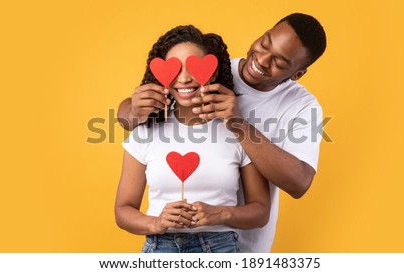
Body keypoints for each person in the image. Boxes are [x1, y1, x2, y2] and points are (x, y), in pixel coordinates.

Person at [117, 13, 327, 252]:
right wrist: (134, 109)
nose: (261, 60)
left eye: (279, 63)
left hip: (241, 244)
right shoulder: (211, 66)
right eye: (264, 43)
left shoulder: (302, 106)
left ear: (297, 74)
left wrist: (238, 124)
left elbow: (299, 183)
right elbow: (128, 118)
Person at [114, 25, 270, 253]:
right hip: (160, 248)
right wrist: (155, 222)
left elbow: (260, 211)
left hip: (221, 249)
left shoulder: (239, 131)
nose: (184, 79)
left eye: (193, 68)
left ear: (213, 73)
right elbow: (123, 210)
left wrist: (221, 213)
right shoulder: (145, 129)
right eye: (174, 69)